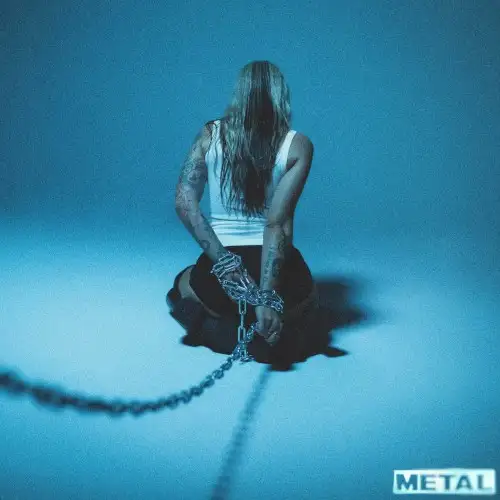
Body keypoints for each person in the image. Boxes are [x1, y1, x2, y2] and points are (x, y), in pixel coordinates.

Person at [171, 60, 319, 358]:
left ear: (238, 94)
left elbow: (184, 203)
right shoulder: (298, 145)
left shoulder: (209, 135)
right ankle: (279, 328)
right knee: (311, 296)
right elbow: (277, 224)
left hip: (220, 274)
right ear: (281, 95)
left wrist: (226, 265)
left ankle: (211, 326)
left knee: (182, 283)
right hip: (276, 270)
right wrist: (267, 296)